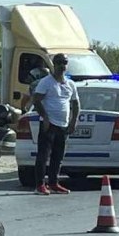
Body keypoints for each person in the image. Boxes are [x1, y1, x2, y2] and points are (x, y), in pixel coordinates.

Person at [31, 53, 79, 195]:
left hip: (63, 125)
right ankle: (40, 184)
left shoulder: (70, 84)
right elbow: (36, 100)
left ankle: (53, 183)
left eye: (64, 63)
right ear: (53, 64)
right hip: (49, 124)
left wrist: (73, 121)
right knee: (43, 155)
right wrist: (45, 117)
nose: (61, 66)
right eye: (59, 63)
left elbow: (75, 104)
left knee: (58, 156)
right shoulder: (46, 82)